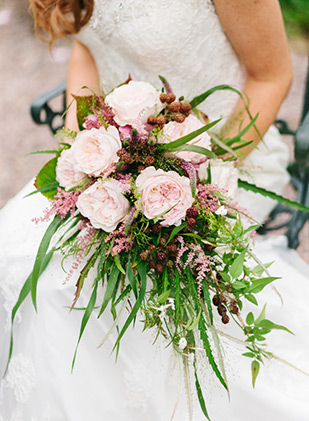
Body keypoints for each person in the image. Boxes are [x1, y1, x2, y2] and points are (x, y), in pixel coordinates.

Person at [0, 1, 308, 420]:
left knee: (95, 288)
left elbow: (271, 76)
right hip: (118, 155)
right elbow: (89, 48)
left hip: (225, 155)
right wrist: (79, 155)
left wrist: (198, 176)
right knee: (16, 252)